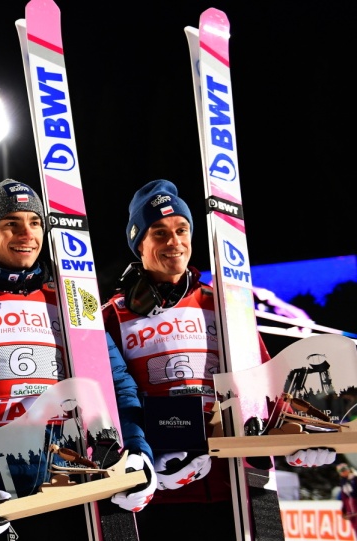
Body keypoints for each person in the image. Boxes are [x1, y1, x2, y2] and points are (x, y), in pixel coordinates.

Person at [102, 179, 335, 541]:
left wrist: (303, 435)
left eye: (181, 229)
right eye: (159, 233)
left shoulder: (224, 304)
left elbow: (268, 385)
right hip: (158, 499)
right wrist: (140, 454)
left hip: (243, 487)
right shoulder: (113, 316)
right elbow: (105, 400)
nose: (174, 242)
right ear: (138, 244)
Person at [0, 179, 156, 540]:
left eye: (34, 222)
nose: (26, 234)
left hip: (77, 475)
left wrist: (139, 451)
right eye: (10, 223)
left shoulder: (74, 298)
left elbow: (116, 383)